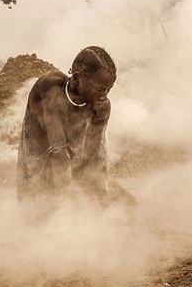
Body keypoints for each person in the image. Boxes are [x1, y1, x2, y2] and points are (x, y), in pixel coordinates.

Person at [16, 46, 133, 221]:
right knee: (38, 216)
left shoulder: (101, 107)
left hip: (70, 165)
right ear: (77, 79)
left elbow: (93, 158)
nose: (104, 95)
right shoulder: (50, 87)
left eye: (109, 89)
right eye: (100, 89)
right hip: (38, 164)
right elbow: (59, 152)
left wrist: (103, 198)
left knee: (118, 203)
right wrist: (66, 212)